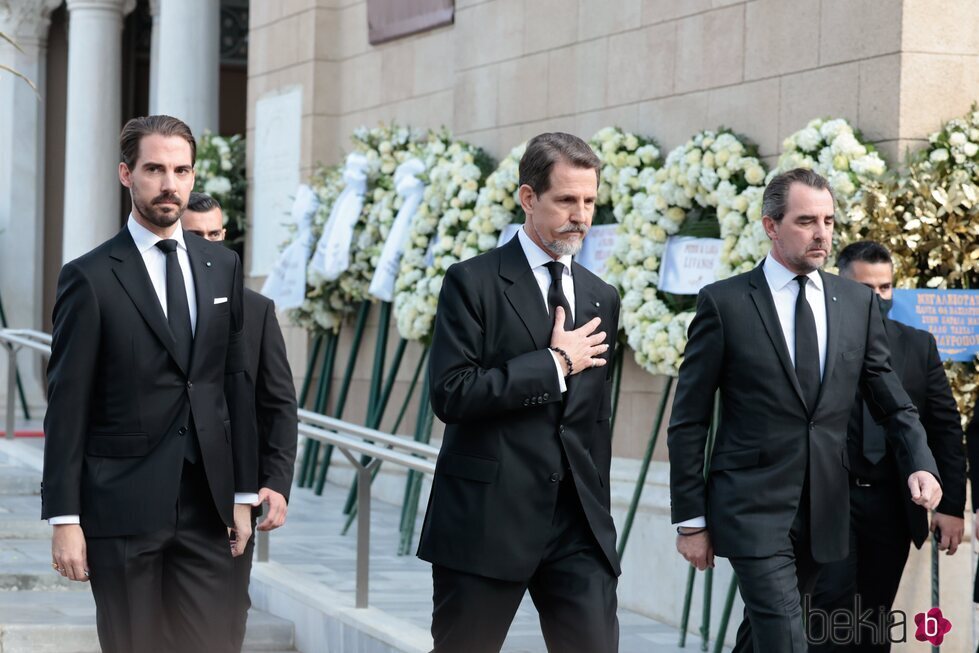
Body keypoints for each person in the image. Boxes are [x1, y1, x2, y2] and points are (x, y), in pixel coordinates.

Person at [667, 168, 943, 653]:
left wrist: (920, 461)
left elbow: (889, 396)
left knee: (766, 633)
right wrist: (691, 519)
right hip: (751, 507)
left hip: (825, 509)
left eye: (829, 221)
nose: (821, 234)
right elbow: (688, 419)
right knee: (787, 639)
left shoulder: (855, 302)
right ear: (771, 226)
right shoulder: (725, 303)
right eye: (806, 221)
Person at [42, 115, 258, 653]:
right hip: (122, 507)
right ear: (126, 174)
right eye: (155, 169)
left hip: (208, 507)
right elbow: (67, 405)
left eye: (181, 170)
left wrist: (243, 493)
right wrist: (65, 517)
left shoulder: (221, 265)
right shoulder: (88, 277)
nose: (170, 184)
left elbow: (233, 385)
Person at [418, 132, 621, 653]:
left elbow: (595, 417)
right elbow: (451, 394)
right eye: (566, 200)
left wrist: (600, 516)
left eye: (590, 201)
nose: (581, 214)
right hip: (487, 522)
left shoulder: (603, 295)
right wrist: (553, 364)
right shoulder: (472, 282)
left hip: (578, 531)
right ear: (529, 198)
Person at [808, 241, 966, 652]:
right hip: (830, 499)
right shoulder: (816, 343)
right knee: (828, 612)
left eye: (886, 287)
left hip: (891, 505)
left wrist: (951, 507)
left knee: (875, 619)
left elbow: (945, 428)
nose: (878, 297)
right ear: (840, 286)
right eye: (868, 288)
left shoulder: (918, 345)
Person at [181, 191, 298, 650]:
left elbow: (278, 404)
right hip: (170, 486)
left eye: (216, 234)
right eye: (197, 236)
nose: (210, 245)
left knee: (229, 613)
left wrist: (276, 481)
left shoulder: (256, 309)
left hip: (234, 492)